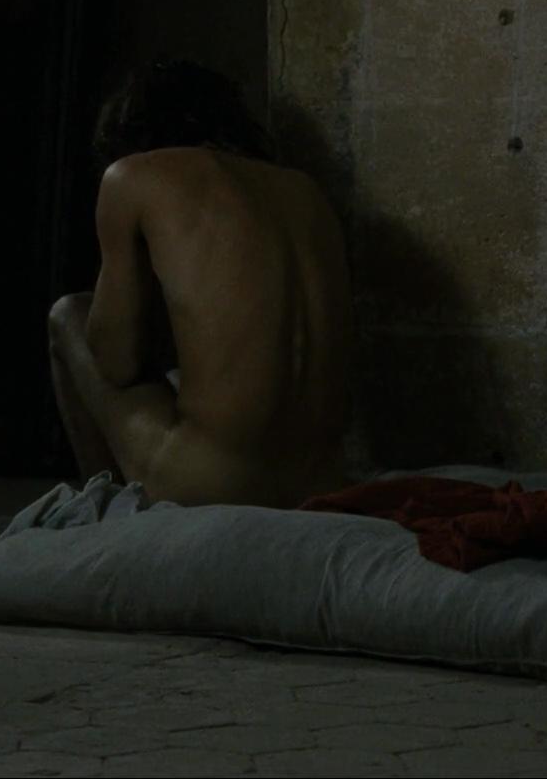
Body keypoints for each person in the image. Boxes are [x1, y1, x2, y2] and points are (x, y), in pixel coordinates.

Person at [46, 60, 355, 509]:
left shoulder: (132, 176)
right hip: (322, 482)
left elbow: (116, 363)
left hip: (212, 485)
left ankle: (104, 508)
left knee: (69, 314)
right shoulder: (305, 190)